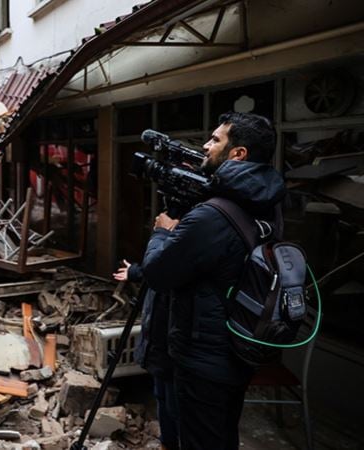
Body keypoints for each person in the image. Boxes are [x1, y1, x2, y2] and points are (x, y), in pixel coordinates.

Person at [141, 112, 284, 450]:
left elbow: (157, 273)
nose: (206, 145)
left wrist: (163, 233)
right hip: (238, 344)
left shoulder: (212, 214)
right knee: (221, 436)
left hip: (202, 356)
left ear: (238, 154)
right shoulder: (268, 200)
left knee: (199, 439)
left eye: (216, 140)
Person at [114, 260, 179, 450]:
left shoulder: (185, 236)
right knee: (162, 393)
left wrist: (140, 271)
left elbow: (168, 267)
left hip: (173, 331)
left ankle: (174, 442)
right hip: (160, 332)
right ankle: (168, 443)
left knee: (174, 400)